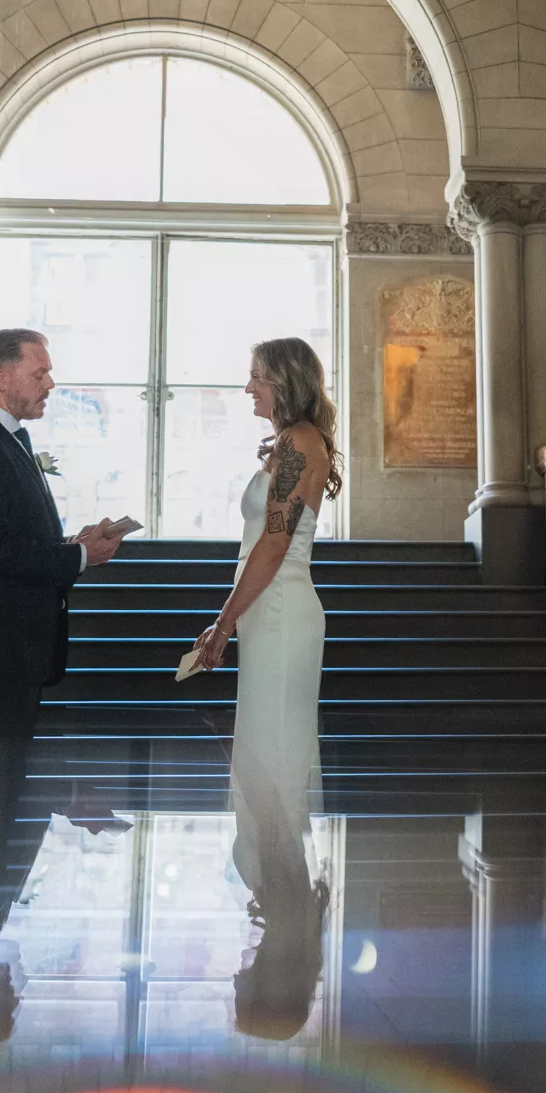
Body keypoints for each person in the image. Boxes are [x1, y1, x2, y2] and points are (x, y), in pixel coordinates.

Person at [0, 327, 126, 1039]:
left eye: (47, 372)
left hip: (9, 645)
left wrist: (74, 547)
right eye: (40, 371)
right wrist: (75, 554)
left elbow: (7, 540)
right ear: (2, 372)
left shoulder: (0, 441)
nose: (49, 382)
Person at [189, 337, 339, 958]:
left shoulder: (300, 443)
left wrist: (222, 624)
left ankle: (288, 903)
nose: (247, 389)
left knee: (268, 762)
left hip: (278, 616)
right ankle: (285, 900)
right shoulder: (291, 443)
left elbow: (273, 547)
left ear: (285, 381)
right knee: (264, 758)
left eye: (256, 378)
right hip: (270, 617)